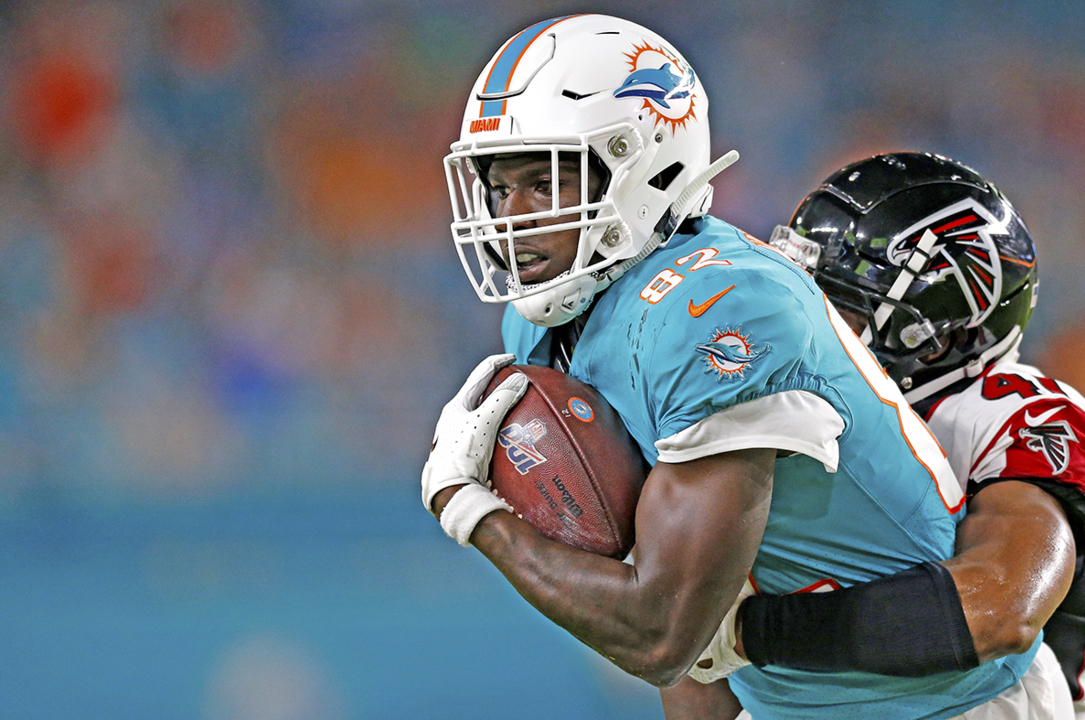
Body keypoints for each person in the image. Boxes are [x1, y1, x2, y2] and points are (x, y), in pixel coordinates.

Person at [423, 15, 1048, 720]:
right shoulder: (553, 313)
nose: (514, 217)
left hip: (945, 706)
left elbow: (663, 632)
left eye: (544, 182)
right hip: (790, 705)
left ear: (644, 164)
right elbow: (684, 635)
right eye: (498, 188)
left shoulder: (722, 304)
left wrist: (472, 510)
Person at [683, 152, 1085, 720]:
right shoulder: (782, 400)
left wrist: (749, 635)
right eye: (802, 293)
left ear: (938, 338)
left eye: (836, 306)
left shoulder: (1012, 415)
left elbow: (1001, 609)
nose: (803, 324)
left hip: (988, 703)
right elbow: (696, 663)